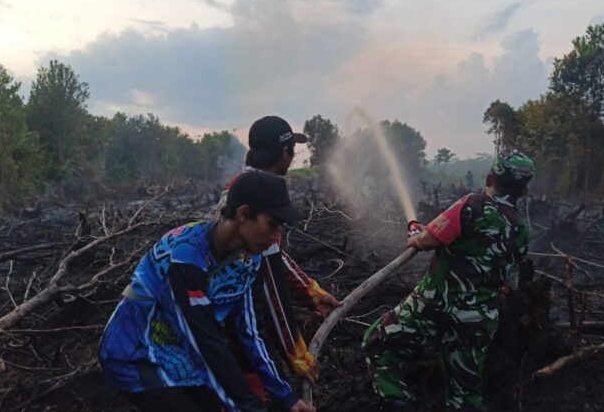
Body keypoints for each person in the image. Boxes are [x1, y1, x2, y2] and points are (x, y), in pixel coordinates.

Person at [99, 171, 316, 412]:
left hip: (181, 357)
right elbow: (205, 341)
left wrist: (285, 395)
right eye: (272, 225)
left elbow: (250, 332)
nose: (277, 237)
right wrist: (248, 406)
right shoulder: (185, 255)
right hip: (136, 355)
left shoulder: (249, 260)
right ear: (243, 214)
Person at [362, 149, 535, 411]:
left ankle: (397, 401)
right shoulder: (522, 227)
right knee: (465, 393)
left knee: (378, 342)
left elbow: (429, 240)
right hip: (479, 319)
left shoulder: (472, 204)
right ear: (523, 191)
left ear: (489, 177)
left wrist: (417, 236)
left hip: (436, 305)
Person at [215, 116, 342, 393]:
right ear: (285, 152)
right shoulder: (262, 198)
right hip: (240, 323)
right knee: (252, 390)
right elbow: (268, 281)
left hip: (227, 317)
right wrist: (294, 352)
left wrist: (311, 292)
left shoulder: (241, 185)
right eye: (292, 151)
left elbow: (273, 257)